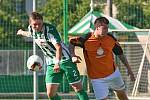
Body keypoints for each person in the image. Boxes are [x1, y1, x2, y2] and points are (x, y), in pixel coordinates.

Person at [17, 12, 89, 100]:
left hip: (65, 60)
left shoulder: (50, 30)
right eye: (35, 24)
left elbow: (58, 47)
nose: (37, 26)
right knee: (50, 93)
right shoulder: (32, 29)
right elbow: (30, 34)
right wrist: (21, 32)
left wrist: (57, 63)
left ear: (42, 22)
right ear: (30, 24)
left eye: (39, 24)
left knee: (77, 88)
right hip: (51, 63)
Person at [69, 17, 135, 100]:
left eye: (107, 28)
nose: (106, 30)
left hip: (113, 74)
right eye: (104, 28)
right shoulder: (86, 38)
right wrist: (73, 55)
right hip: (97, 78)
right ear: (97, 27)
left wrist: (129, 69)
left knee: (122, 95)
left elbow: (120, 54)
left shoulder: (110, 38)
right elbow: (71, 42)